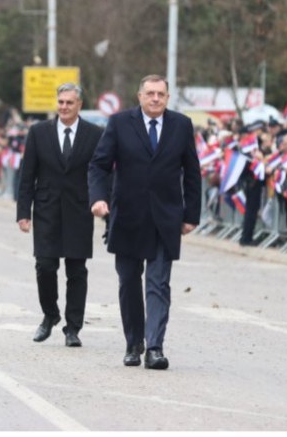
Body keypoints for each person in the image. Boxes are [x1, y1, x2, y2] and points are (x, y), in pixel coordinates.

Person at [88, 74, 201, 369]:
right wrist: (98, 199)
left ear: (167, 97)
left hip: (165, 218)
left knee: (159, 284)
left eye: (160, 94)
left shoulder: (181, 125)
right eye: (149, 93)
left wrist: (191, 216)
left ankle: (154, 347)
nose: (155, 99)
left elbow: (192, 172)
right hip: (126, 216)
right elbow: (99, 165)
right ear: (139, 96)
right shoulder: (120, 123)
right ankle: (133, 342)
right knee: (129, 282)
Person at [17, 83, 103, 347]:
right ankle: (50, 315)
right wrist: (23, 212)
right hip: (46, 209)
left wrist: (103, 202)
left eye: (69, 102)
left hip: (79, 210)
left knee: (76, 270)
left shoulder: (94, 134)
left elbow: (100, 172)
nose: (64, 107)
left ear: (79, 104)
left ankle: (73, 327)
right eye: (61, 102)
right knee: (45, 265)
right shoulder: (38, 132)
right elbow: (27, 174)